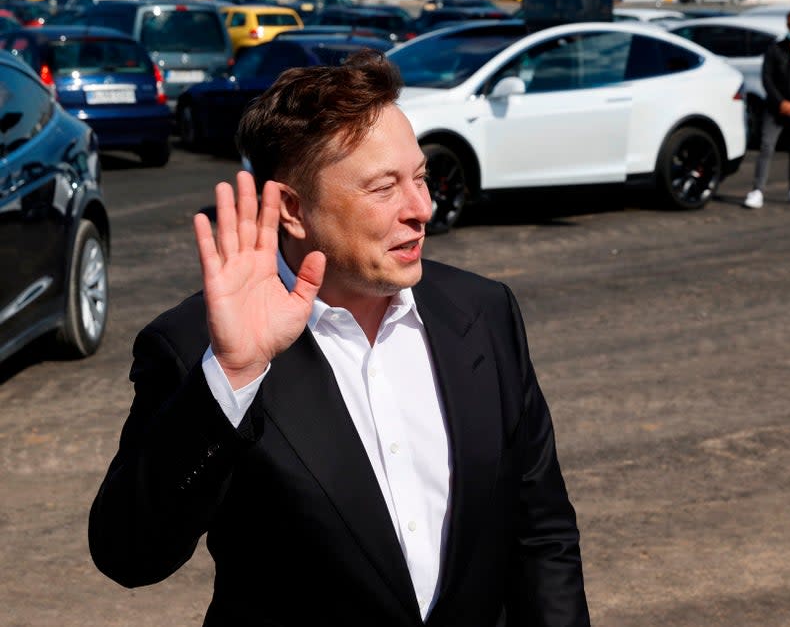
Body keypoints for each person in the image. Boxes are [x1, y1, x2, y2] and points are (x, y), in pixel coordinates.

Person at [89, 51, 590, 627]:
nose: (422, 208)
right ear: (295, 211)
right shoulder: (198, 348)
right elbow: (128, 554)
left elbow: (542, 533)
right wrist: (232, 378)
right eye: (384, 189)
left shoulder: (483, 311)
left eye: (421, 177)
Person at [744, 9, 790, 209]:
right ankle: (757, 190)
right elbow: (766, 78)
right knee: (766, 147)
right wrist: (780, 102)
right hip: (774, 108)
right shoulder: (775, 49)